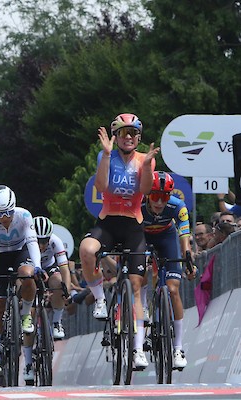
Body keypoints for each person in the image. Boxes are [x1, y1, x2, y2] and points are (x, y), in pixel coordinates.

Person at [78, 113, 158, 369]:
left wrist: (146, 168)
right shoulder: (107, 156)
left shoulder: (145, 159)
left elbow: (145, 191)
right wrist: (105, 154)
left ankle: (137, 351)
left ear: (138, 138)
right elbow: (101, 187)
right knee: (86, 250)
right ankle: (100, 298)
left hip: (133, 225)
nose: (128, 138)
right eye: (123, 133)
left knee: (136, 287)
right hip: (108, 222)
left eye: (133, 133)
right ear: (116, 136)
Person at [0, 184, 42, 380]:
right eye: (0, 213)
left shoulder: (24, 216)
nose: (5, 217)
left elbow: (32, 242)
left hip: (19, 252)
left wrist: (38, 266)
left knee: (28, 274)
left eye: (8, 212)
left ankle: (25, 315)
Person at [141, 171, 197, 369]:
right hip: (143, 237)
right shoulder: (138, 204)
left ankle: (178, 348)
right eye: (155, 196)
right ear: (148, 194)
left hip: (167, 238)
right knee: (140, 275)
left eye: (164, 197)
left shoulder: (177, 207)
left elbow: (184, 237)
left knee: (173, 289)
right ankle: (144, 308)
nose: (159, 202)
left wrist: (188, 260)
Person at [32, 216, 71, 340]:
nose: (41, 245)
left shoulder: (56, 241)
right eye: (38, 241)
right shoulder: (25, 241)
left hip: (49, 266)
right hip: (30, 266)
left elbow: (64, 268)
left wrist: (67, 290)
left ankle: (57, 322)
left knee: (58, 283)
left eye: (45, 241)